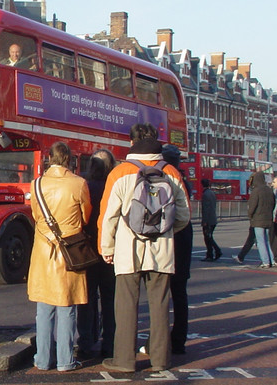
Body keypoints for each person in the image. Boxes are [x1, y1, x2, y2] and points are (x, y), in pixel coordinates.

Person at [98, 123, 190, 373]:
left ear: (131, 143)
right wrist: (166, 231)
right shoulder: (171, 171)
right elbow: (183, 214)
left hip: (128, 249)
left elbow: (108, 216)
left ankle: (125, 360)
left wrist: (107, 247)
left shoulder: (120, 172)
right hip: (162, 250)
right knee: (160, 304)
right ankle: (160, 359)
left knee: (126, 305)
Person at [28, 141, 91, 372]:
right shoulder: (79, 183)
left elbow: (36, 215)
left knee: (44, 309)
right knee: (67, 307)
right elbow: (85, 215)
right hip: (69, 251)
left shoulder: (36, 184)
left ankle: (43, 360)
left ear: (49, 159)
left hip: (44, 252)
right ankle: (65, 361)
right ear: (69, 160)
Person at [76, 149, 116, 359]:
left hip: (88, 250)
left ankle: (85, 343)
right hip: (110, 250)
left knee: (87, 298)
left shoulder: (85, 187)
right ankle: (109, 344)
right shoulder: (114, 187)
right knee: (110, 300)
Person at [161, 144, 193, 355]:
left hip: (168, 240)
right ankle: (179, 339)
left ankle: (161, 341)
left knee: (161, 294)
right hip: (184, 240)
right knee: (180, 294)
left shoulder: (163, 180)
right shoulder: (185, 183)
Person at [248, 171, 276, 268]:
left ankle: (265, 262)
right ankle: (272, 260)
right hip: (268, 218)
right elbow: (273, 204)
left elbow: (252, 206)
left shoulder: (256, 191)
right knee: (268, 241)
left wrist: (250, 215)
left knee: (261, 241)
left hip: (258, 219)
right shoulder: (269, 190)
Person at [200, 179, 222, 261]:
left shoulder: (205, 194)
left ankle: (213, 253)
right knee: (209, 237)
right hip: (213, 218)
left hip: (208, 220)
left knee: (208, 238)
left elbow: (205, 209)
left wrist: (204, 221)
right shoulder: (212, 193)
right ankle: (212, 253)